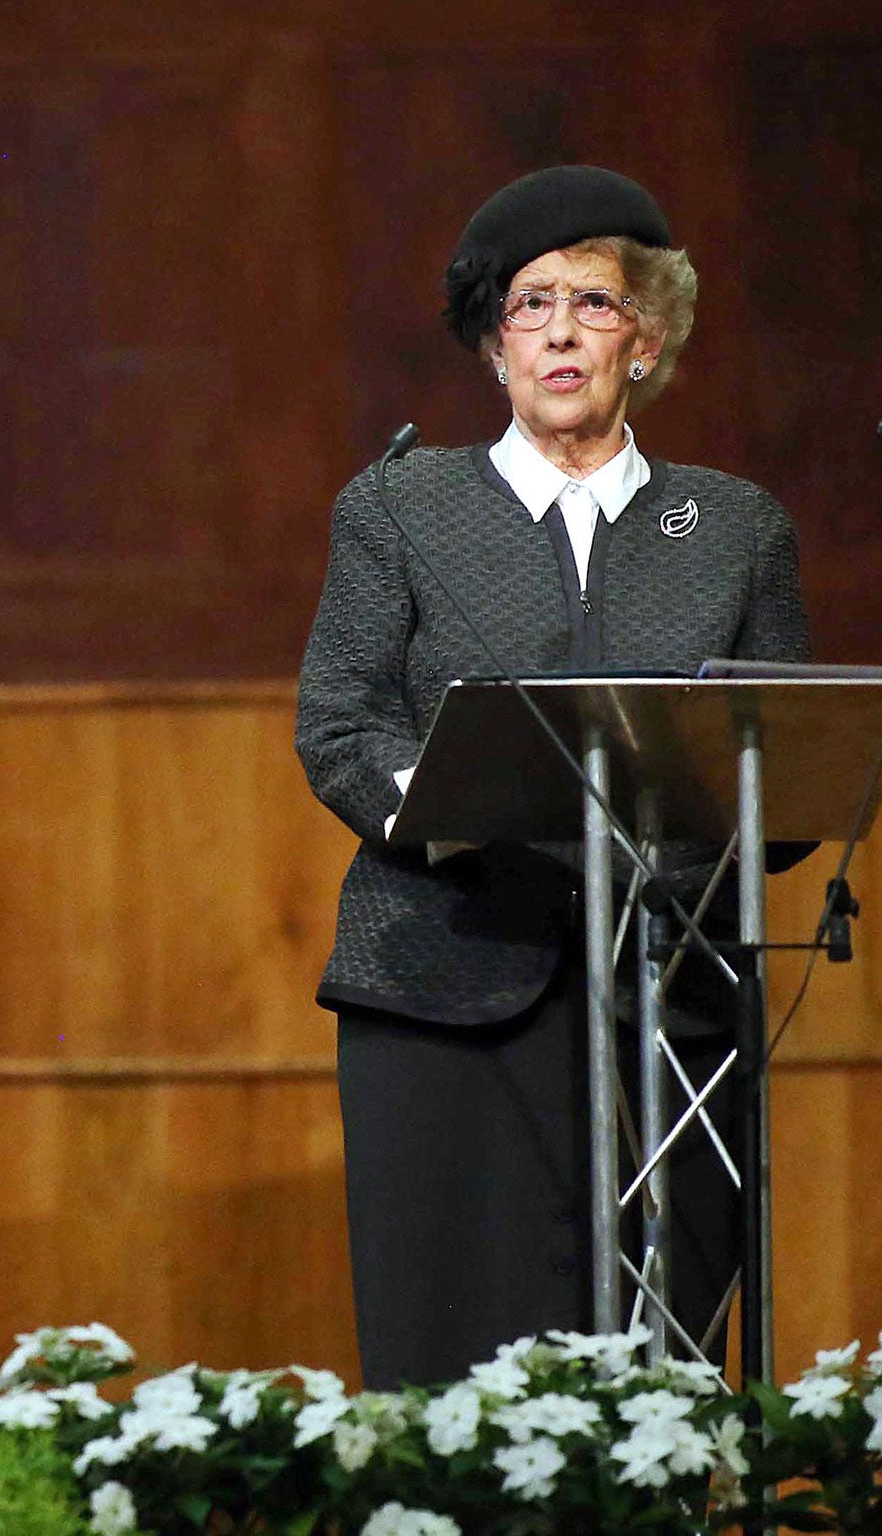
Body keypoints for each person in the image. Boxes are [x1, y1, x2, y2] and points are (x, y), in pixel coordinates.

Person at [296, 166, 809, 1388]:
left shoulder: (736, 528)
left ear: (646, 339)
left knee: (661, 1374)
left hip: (668, 990)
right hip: (444, 984)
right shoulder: (398, 508)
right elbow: (338, 727)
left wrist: (697, 838)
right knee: (450, 1371)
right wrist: (442, 804)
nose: (559, 331)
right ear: (494, 347)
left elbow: (779, 754)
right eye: (528, 306)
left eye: (593, 301)